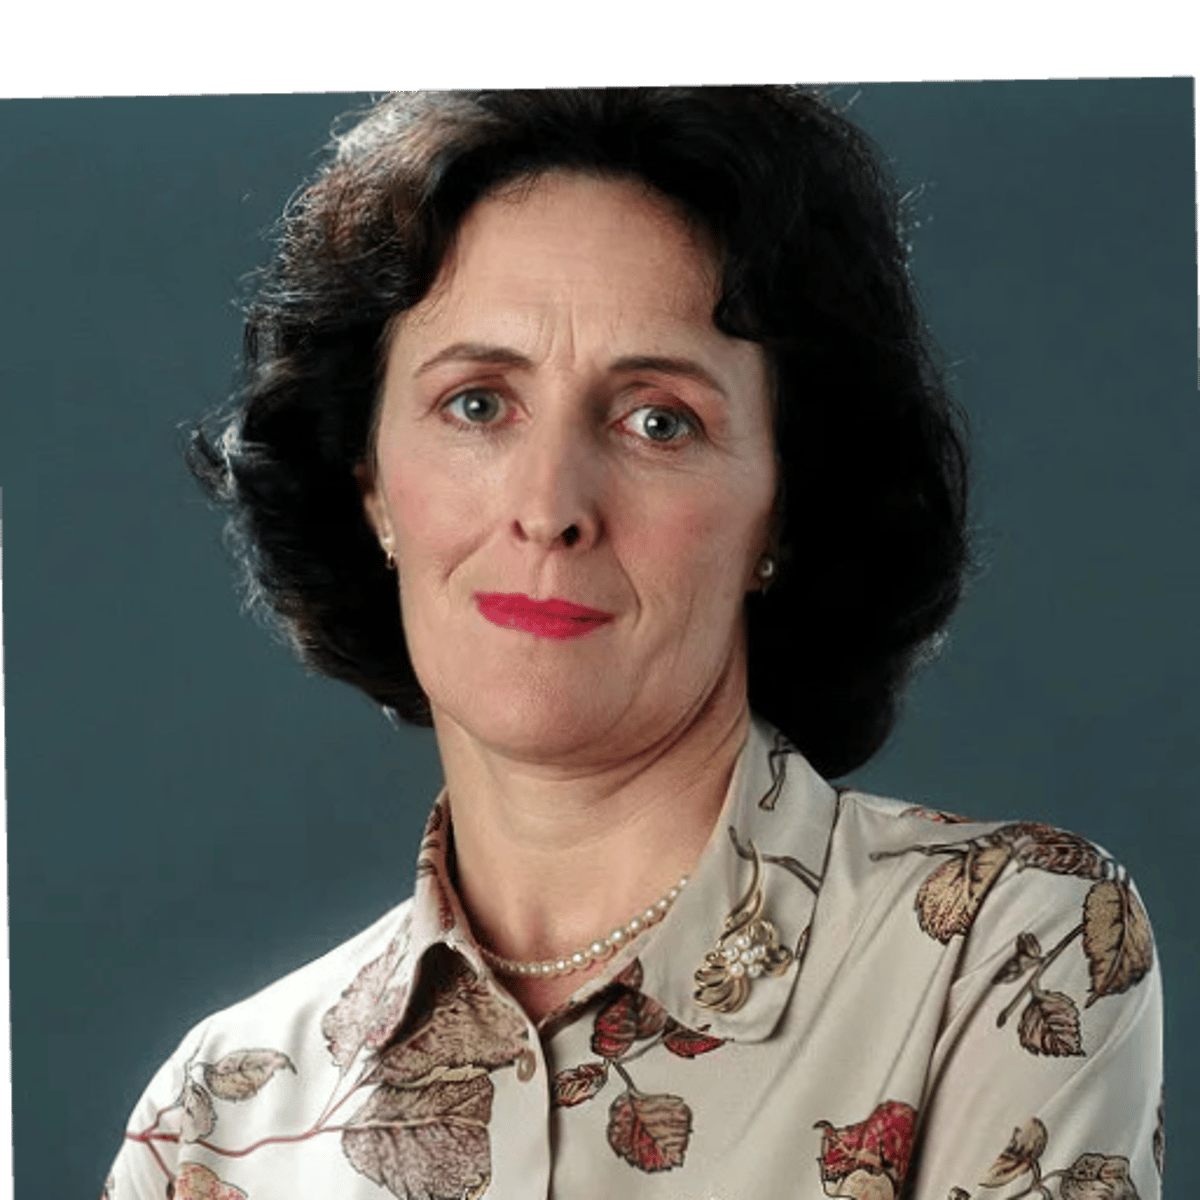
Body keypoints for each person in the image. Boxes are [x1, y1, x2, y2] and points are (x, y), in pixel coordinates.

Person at [102, 87, 1162, 1200]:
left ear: (781, 511)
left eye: (659, 420)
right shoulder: (218, 1119)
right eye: (477, 405)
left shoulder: (1004, 948)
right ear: (370, 485)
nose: (551, 507)